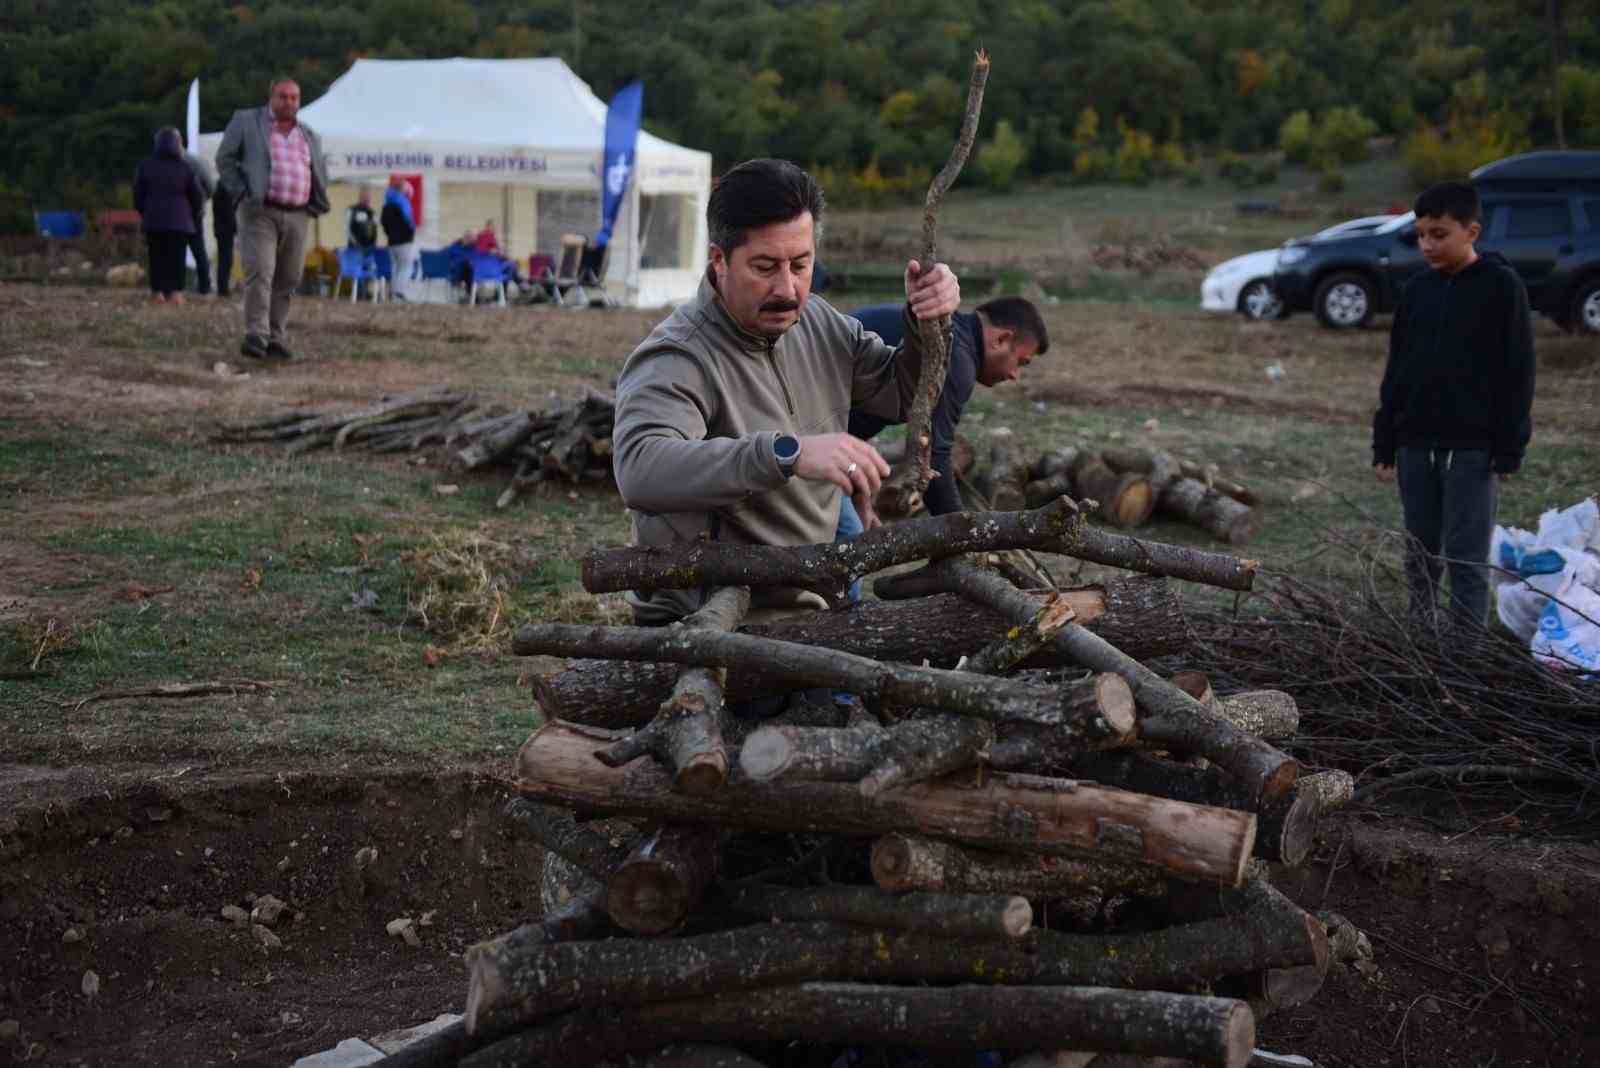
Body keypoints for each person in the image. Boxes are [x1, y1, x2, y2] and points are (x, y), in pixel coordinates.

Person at [612, 157, 960, 628]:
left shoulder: (819, 323)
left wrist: (928, 323)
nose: (788, 288)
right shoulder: (679, 356)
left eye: (801, 264)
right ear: (719, 259)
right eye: (765, 266)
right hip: (712, 623)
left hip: (813, 604)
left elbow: (902, 395)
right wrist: (786, 454)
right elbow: (640, 469)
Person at [1372, 180, 1536, 629]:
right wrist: (1385, 440)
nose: (1427, 244)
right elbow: (1397, 369)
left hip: (1471, 449)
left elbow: (1518, 371)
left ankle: (1466, 662)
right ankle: (1422, 648)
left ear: (1472, 231)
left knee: (1466, 559)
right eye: (1421, 234)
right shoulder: (1417, 291)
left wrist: (1509, 447)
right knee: (1420, 557)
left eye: (1439, 234)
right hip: (1414, 445)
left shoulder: (1502, 288)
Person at [845, 296, 1049, 519]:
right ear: (1001, 339)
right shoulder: (955, 358)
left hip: (819, 421)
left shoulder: (951, 335)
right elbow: (933, 455)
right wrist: (959, 533)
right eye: (1021, 362)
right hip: (808, 429)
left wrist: (859, 497)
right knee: (846, 534)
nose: (1014, 375)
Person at [215, 77, 330, 361]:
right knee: (261, 271)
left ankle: (277, 338)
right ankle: (256, 334)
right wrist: (241, 193)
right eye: (283, 96)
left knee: (289, 277)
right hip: (259, 211)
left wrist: (314, 202)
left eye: (294, 97)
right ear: (271, 97)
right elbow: (224, 159)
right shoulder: (247, 121)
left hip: (298, 213)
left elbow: (318, 169)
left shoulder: (309, 134)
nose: (289, 102)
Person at [132, 126, 203, 305]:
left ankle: (158, 293)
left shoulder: (145, 166)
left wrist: (144, 212)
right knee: (176, 257)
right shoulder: (185, 167)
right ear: (178, 144)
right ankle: (175, 293)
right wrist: (192, 215)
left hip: (153, 220)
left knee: (156, 257)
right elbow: (197, 196)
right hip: (180, 221)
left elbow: (138, 195)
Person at [180, 134, 216, 296]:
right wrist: (202, 201)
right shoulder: (196, 162)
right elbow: (210, 185)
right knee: (198, 249)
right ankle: (204, 286)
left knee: (174, 249)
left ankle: (175, 286)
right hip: (194, 211)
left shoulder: (158, 163)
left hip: (175, 213)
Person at [380, 175, 417, 302]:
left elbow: (383, 222)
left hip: (392, 242)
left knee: (395, 268)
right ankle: (399, 292)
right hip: (404, 241)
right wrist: (411, 233)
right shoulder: (402, 202)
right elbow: (408, 221)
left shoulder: (386, 203)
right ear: (402, 189)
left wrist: (389, 234)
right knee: (406, 267)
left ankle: (393, 294)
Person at [213, 173, 237, 297]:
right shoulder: (225, 190)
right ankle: (223, 288)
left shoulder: (219, 189)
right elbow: (229, 213)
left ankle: (223, 287)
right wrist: (236, 227)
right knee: (226, 259)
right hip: (225, 230)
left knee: (225, 259)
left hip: (221, 229)